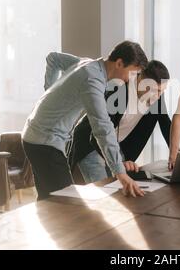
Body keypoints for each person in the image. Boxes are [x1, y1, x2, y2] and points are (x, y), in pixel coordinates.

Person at [22, 41, 148, 200]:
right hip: (44, 141)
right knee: (65, 203)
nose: (131, 80)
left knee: (50, 201)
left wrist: (51, 94)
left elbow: (53, 59)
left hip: (37, 136)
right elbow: (102, 127)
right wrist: (120, 173)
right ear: (119, 63)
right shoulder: (92, 80)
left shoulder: (88, 64)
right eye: (132, 73)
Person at [68, 60, 171, 183]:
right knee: (104, 189)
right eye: (155, 90)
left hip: (115, 145)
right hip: (91, 142)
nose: (158, 96)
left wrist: (176, 157)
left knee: (121, 187)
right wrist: (119, 163)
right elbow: (100, 132)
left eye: (161, 91)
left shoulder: (156, 96)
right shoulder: (119, 89)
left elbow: (166, 125)